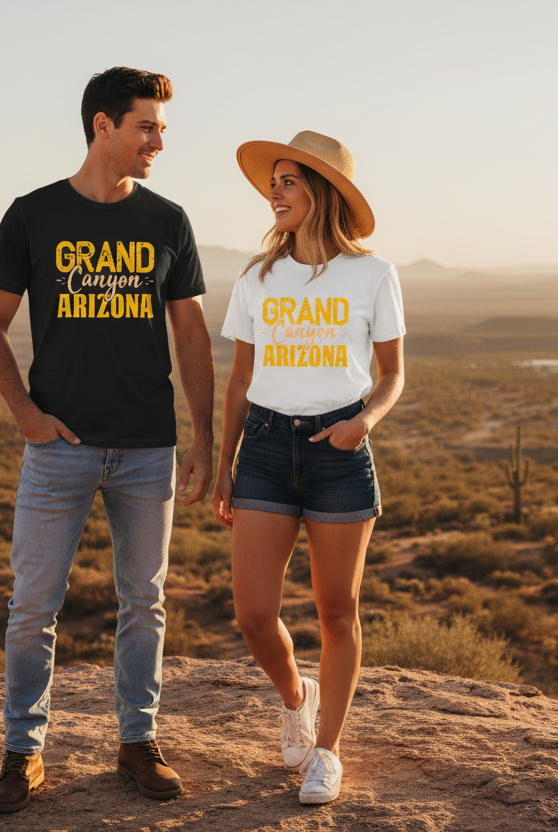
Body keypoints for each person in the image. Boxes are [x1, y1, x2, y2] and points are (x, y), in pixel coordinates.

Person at [0, 66, 213, 814]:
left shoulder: (168, 220)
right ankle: (22, 753)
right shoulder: (32, 216)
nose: (160, 142)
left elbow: (193, 335)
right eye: (148, 126)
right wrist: (25, 413)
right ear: (103, 125)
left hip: (148, 448)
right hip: (60, 448)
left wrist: (205, 438)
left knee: (145, 600)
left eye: (162, 129)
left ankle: (137, 741)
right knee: (32, 606)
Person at [212, 131, 405, 805]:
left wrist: (364, 423)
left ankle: (326, 751)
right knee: (255, 614)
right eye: (274, 181)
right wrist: (225, 462)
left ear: (322, 193)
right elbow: (237, 382)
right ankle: (297, 696)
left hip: (339, 448)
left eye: (288, 181)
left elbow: (392, 375)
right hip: (264, 447)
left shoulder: (373, 274)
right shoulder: (257, 277)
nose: (274, 192)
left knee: (337, 610)